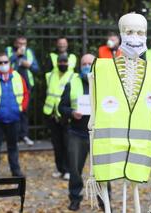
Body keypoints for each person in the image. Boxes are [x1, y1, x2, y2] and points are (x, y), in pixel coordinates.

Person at [87, 13, 151, 212]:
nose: (135, 38)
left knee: (136, 190)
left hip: (140, 146)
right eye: (129, 32)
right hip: (108, 145)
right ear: (121, 34)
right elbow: (93, 114)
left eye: (140, 33)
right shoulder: (102, 68)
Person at [0, 53, 29, 178]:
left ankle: (15, 170)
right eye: (0, 63)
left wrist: (21, 108)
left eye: (5, 62)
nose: (3, 65)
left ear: (9, 63)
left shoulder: (17, 77)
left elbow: (25, 93)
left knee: (13, 147)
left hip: (14, 118)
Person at [59, 53, 94, 211]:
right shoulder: (72, 83)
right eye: (83, 64)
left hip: (97, 134)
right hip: (76, 133)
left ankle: (104, 200)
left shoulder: (104, 83)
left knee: (103, 170)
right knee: (74, 169)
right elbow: (61, 107)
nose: (86, 66)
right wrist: (72, 112)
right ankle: (75, 198)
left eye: (89, 63)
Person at [43, 53, 77, 180]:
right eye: (60, 62)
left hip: (66, 115)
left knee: (67, 144)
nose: (62, 64)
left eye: (65, 62)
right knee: (57, 144)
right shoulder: (50, 75)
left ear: (68, 63)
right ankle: (60, 169)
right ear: (56, 63)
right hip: (52, 114)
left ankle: (68, 170)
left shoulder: (73, 76)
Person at [5, 36, 39, 146]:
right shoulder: (9, 51)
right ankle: (12, 136)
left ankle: (24, 135)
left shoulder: (29, 52)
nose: (22, 46)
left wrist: (29, 66)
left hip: (26, 85)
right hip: (11, 84)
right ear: (15, 43)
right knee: (12, 110)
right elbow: (4, 63)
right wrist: (16, 55)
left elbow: (36, 69)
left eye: (24, 43)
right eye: (19, 43)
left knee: (24, 110)